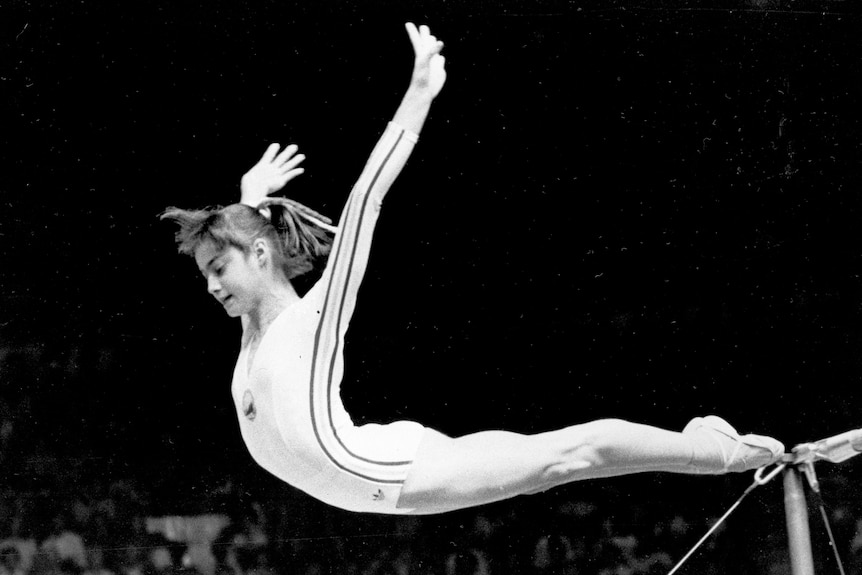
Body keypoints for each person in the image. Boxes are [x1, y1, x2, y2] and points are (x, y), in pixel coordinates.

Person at [161, 22, 785, 515]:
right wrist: (245, 201)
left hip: (387, 475)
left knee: (568, 457)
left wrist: (416, 97)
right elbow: (247, 253)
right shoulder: (255, 328)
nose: (212, 287)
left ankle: (716, 451)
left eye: (219, 268)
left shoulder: (310, 322)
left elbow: (365, 201)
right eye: (206, 275)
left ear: (261, 255)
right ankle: (706, 444)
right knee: (539, 467)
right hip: (381, 454)